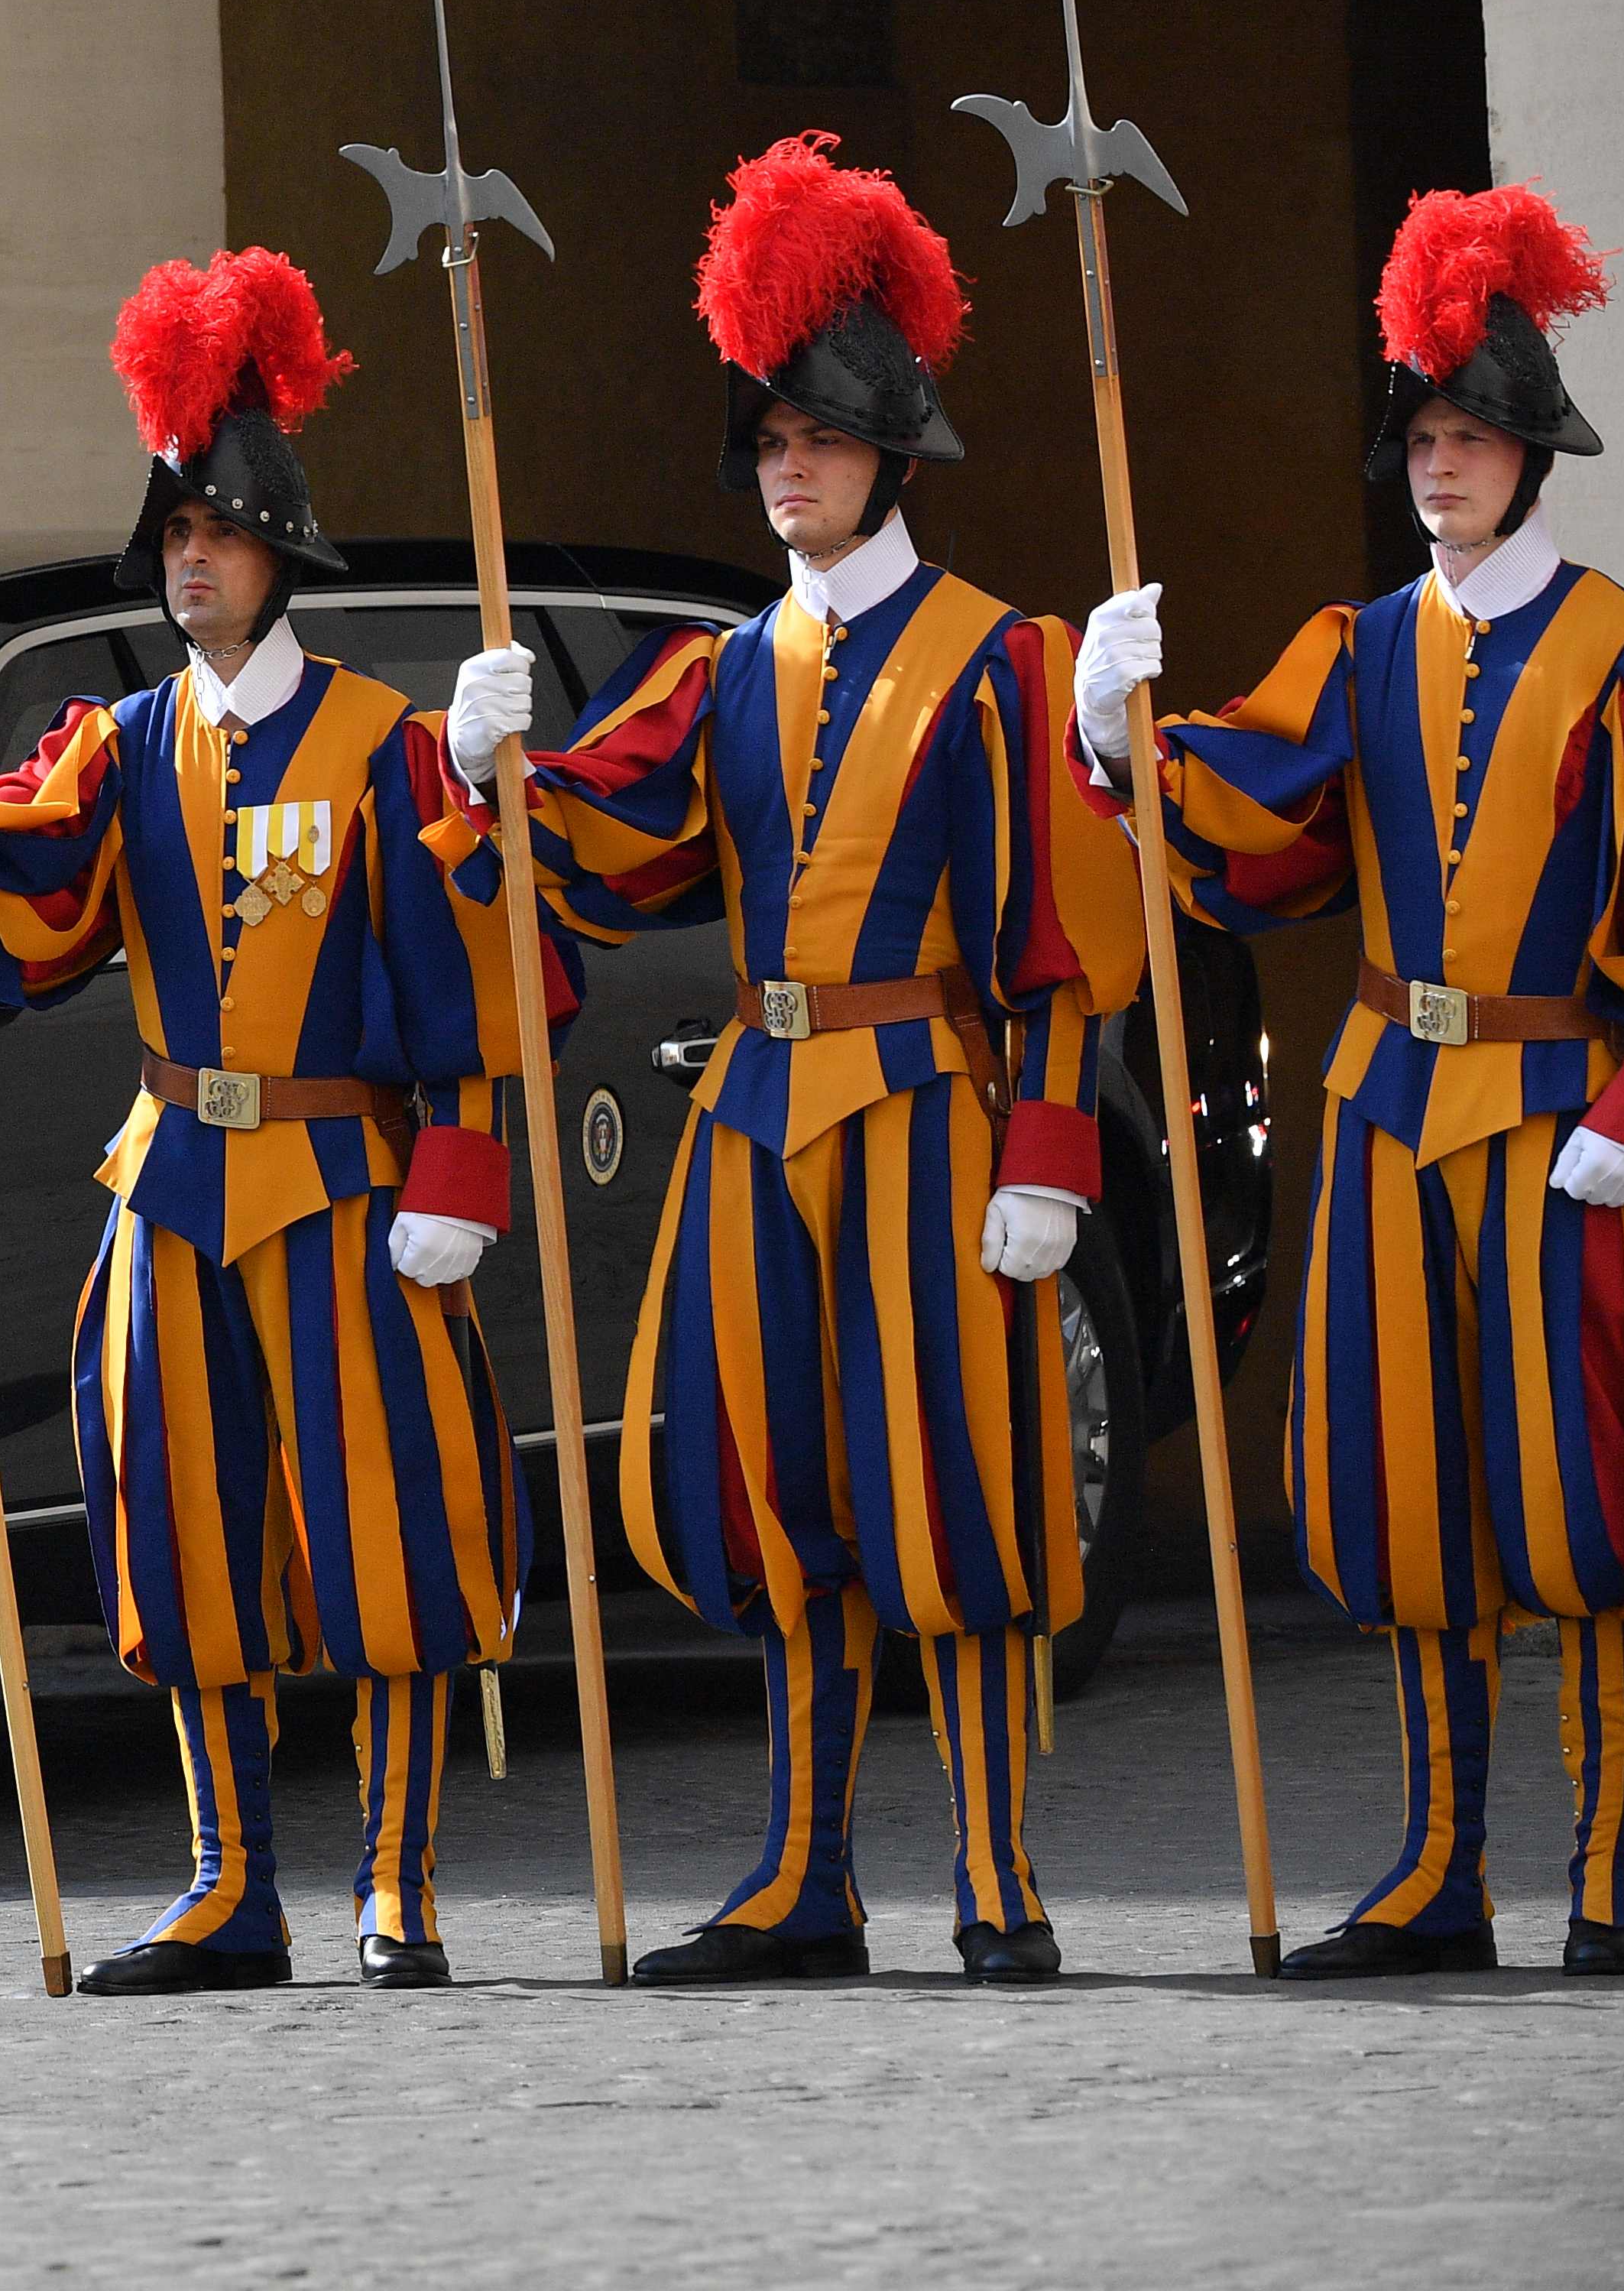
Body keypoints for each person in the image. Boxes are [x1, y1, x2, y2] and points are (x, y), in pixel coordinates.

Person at [441, 134, 1139, 1986]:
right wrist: (480, 762)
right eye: (768, 443)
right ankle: (803, 1872)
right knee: (780, 1492)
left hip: (926, 1112)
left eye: (816, 440)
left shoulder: (1003, 660)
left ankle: (996, 1868)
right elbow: (595, 838)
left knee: (961, 1488)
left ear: (888, 451)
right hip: (756, 1116)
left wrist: (1052, 1145)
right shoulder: (729, 669)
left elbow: (1059, 925)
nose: (789, 467)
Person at [0, 246, 543, 1992]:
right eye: (172, 540)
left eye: (216, 536)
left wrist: (456, 1168)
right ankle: (234, 1882)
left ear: (279, 552)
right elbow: (23, 886)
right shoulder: (123, 741)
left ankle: (398, 1881)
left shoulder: (384, 742)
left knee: (384, 1526)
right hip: (174, 1178)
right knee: (179, 1526)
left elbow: (459, 967)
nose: (190, 562)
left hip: (342, 1175)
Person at [1076, 184, 1624, 1978]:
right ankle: (1438, 1868)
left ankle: (1619, 1858)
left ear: (1530, 454)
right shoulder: (1366, 639)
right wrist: (1123, 741)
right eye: (1420, 434)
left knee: (1588, 1497)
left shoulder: (1619, 651)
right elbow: (1259, 825)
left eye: (1471, 433)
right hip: (1395, 1101)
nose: (1440, 462)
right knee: (1412, 1494)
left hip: (1560, 1114)